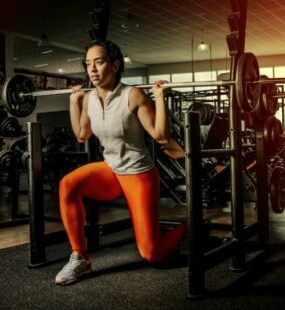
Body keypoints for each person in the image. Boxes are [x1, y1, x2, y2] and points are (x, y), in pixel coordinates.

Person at [55, 40, 187, 285]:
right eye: (88, 64)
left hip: (138, 175)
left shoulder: (133, 95)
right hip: (111, 170)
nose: (92, 69)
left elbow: (160, 136)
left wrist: (160, 98)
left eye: (99, 62)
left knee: (151, 253)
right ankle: (79, 258)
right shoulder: (89, 99)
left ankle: (190, 227)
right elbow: (82, 135)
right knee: (67, 184)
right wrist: (74, 104)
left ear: (115, 66)